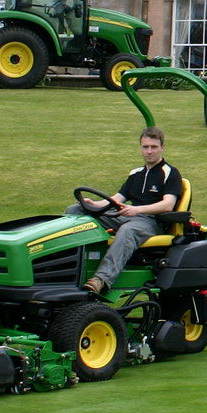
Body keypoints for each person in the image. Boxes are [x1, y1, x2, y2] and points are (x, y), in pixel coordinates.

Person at [80, 126, 182, 294]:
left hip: (151, 223)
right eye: (145, 147)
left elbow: (167, 205)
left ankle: (101, 279)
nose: (149, 151)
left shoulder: (170, 173)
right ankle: (68, 264)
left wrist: (137, 210)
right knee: (77, 210)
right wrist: (93, 204)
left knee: (128, 230)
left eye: (154, 147)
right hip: (127, 216)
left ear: (162, 147)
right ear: (140, 148)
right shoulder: (136, 173)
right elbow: (117, 200)